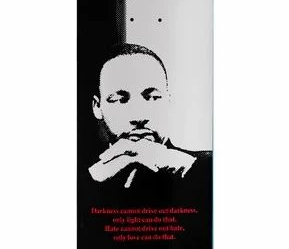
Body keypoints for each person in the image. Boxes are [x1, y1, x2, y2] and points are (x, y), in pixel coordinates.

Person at [87, 43, 211, 193]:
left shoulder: (209, 169)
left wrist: (192, 171)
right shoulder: (80, 180)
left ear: (168, 100)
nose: (139, 117)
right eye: (119, 100)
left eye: (153, 98)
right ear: (97, 107)